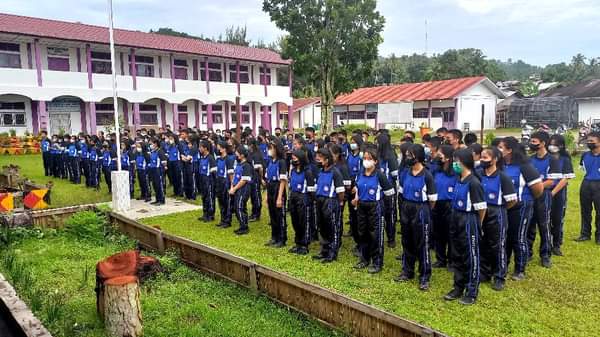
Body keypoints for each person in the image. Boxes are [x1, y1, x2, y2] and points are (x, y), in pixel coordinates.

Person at [444, 148, 486, 305]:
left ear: (465, 163)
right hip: (456, 217)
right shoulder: (458, 179)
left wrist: (477, 225)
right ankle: (458, 286)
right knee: (456, 255)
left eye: (457, 162)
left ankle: (471, 291)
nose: (454, 164)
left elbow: (481, 209)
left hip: (469, 220)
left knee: (470, 256)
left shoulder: (474, 183)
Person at [498, 137, 543, 280]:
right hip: (505, 206)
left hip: (522, 206)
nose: (498, 150)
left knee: (519, 236)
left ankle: (520, 269)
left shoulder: (524, 166)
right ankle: (503, 265)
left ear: (509, 150)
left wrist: (526, 200)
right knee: (505, 236)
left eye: (501, 148)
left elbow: (538, 188)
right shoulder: (501, 165)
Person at [395, 144, 437, 290]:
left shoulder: (427, 175)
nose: (407, 158)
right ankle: (407, 271)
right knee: (407, 241)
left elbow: (432, 200)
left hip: (421, 209)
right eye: (406, 155)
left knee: (422, 243)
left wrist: (423, 210)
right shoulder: (405, 173)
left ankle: (424, 276)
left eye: (410, 156)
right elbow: (401, 191)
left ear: (418, 157)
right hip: (406, 207)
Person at [479, 148, 517, 291]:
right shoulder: (478, 175)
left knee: (498, 245)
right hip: (481, 210)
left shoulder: (502, 177)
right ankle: (484, 272)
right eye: (481, 157)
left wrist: (500, 209)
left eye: (486, 157)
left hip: (497, 212)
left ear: (494, 159)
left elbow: (512, 200)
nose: (482, 160)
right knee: (482, 243)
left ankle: (499, 276)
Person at [352, 147, 394, 274]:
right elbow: (357, 188)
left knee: (375, 235)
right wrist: (356, 198)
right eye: (364, 158)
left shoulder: (380, 175)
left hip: (375, 207)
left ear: (375, 161)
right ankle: (364, 259)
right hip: (361, 206)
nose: (366, 161)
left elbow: (389, 193)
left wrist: (382, 208)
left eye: (369, 159)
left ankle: (377, 262)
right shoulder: (360, 173)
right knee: (362, 233)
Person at [527, 131, 562, 268]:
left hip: (544, 196)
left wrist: (537, 186)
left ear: (543, 143)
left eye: (534, 141)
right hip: (530, 196)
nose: (531, 143)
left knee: (544, 225)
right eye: (531, 141)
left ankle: (545, 254)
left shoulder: (552, 160)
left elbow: (552, 181)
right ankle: (528, 251)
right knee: (529, 224)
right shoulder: (529, 159)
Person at [312, 148, 345, 263]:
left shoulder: (335, 172)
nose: (317, 160)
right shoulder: (321, 172)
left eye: (320, 158)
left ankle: (332, 252)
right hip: (320, 201)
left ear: (326, 159)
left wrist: (337, 202)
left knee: (332, 227)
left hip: (330, 201)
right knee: (322, 226)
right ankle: (324, 250)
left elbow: (341, 192)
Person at [431, 145, 458, 269]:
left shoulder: (455, 172)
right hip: (437, 204)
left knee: (451, 234)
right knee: (438, 233)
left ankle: (452, 260)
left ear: (447, 157)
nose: (438, 155)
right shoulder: (436, 170)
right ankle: (440, 259)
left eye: (440, 153)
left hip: (450, 205)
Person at [548, 134, 575, 255]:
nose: (551, 146)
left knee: (558, 219)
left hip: (558, 192)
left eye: (554, 144)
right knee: (546, 219)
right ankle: (547, 243)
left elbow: (565, 179)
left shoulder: (565, 160)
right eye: (550, 143)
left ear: (561, 145)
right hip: (546, 191)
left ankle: (556, 244)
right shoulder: (546, 158)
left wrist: (553, 192)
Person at [288, 150, 316, 255]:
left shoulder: (307, 172)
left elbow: (311, 189)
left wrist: (310, 202)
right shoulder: (293, 171)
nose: (293, 160)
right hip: (293, 197)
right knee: (295, 222)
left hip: (304, 198)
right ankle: (298, 243)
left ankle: (304, 245)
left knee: (304, 222)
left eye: (295, 158)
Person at [576, 131, 600, 244]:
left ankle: (599, 236)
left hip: (599, 184)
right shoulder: (585, 155)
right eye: (588, 141)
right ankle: (585, 234)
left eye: (592, 141)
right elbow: (582, 168)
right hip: (586, 183)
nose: (589, 143)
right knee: (585, 210)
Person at [264, 139, 288, 247]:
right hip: (270, 188)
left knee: (279, 215)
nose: (269, 150)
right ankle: (274, 237)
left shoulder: (281, 162)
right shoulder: (270, 162)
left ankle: (282, 239)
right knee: (272, 215)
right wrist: (266, 195)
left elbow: (283, 180)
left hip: (278, 188)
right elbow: (267, 179)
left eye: (271, 148)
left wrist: (279, 197)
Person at [376, 133, 399, 248]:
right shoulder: (377, 154)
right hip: (378, 189)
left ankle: (391, 237)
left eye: (378, 142)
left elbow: (395, 174)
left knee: (390, 213)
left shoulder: (390, 155)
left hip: (389, 189)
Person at [229, 146, 253, 235]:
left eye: (237, 153)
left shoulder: (247, 165)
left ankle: (244, 227)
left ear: (242, 155)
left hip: (243, 189)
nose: (236, 154)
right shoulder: (239, 164)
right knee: (238, 207)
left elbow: (244, 180)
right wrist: (232, 186)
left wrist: (234, 189)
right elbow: (235, 176)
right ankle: (242, 225)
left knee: (239, 207)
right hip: (236, 188)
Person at [215, 141, 235, 228]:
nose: (217, 148)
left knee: (227, 202)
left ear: (223, 149)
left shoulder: (228, 159)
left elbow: (231, 174)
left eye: (219, 147)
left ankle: (227, 221)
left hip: (225, 183)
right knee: (221, 202)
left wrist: (231, 186)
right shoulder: (218, 159)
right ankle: (222, 219)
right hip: (219, 182)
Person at [198, 140, 217, 222]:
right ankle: (205, 214)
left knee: (209, 197)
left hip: (209, 180)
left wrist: (213, 182)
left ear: (205, 148)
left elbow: (214, 172)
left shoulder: (210, 158)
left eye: (200, 147)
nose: (199, 149)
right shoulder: (202, 157)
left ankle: (210, 215)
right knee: (204, 197)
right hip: (202, 179)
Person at [147, 139, 167, 205]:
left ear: (155, 144)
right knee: (155, 185)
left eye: (152, 143)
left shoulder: (160, 151)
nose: (151, 145)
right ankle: (157, 199)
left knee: (159, 185)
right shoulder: (152, 152)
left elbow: (164, 162)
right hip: (152, 170)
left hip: (158, 170)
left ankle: (161, 200)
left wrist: (163, 168)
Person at [248, 139, 264, 222]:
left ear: (252, 145)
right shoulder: (250, 154)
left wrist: (261, 179)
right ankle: (253, 213)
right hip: (251, 177)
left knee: (256, 196)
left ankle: (257, 214)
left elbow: (260, 168)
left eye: (248, 144)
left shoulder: (256, 155)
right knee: (253, 196)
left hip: (256, 177)